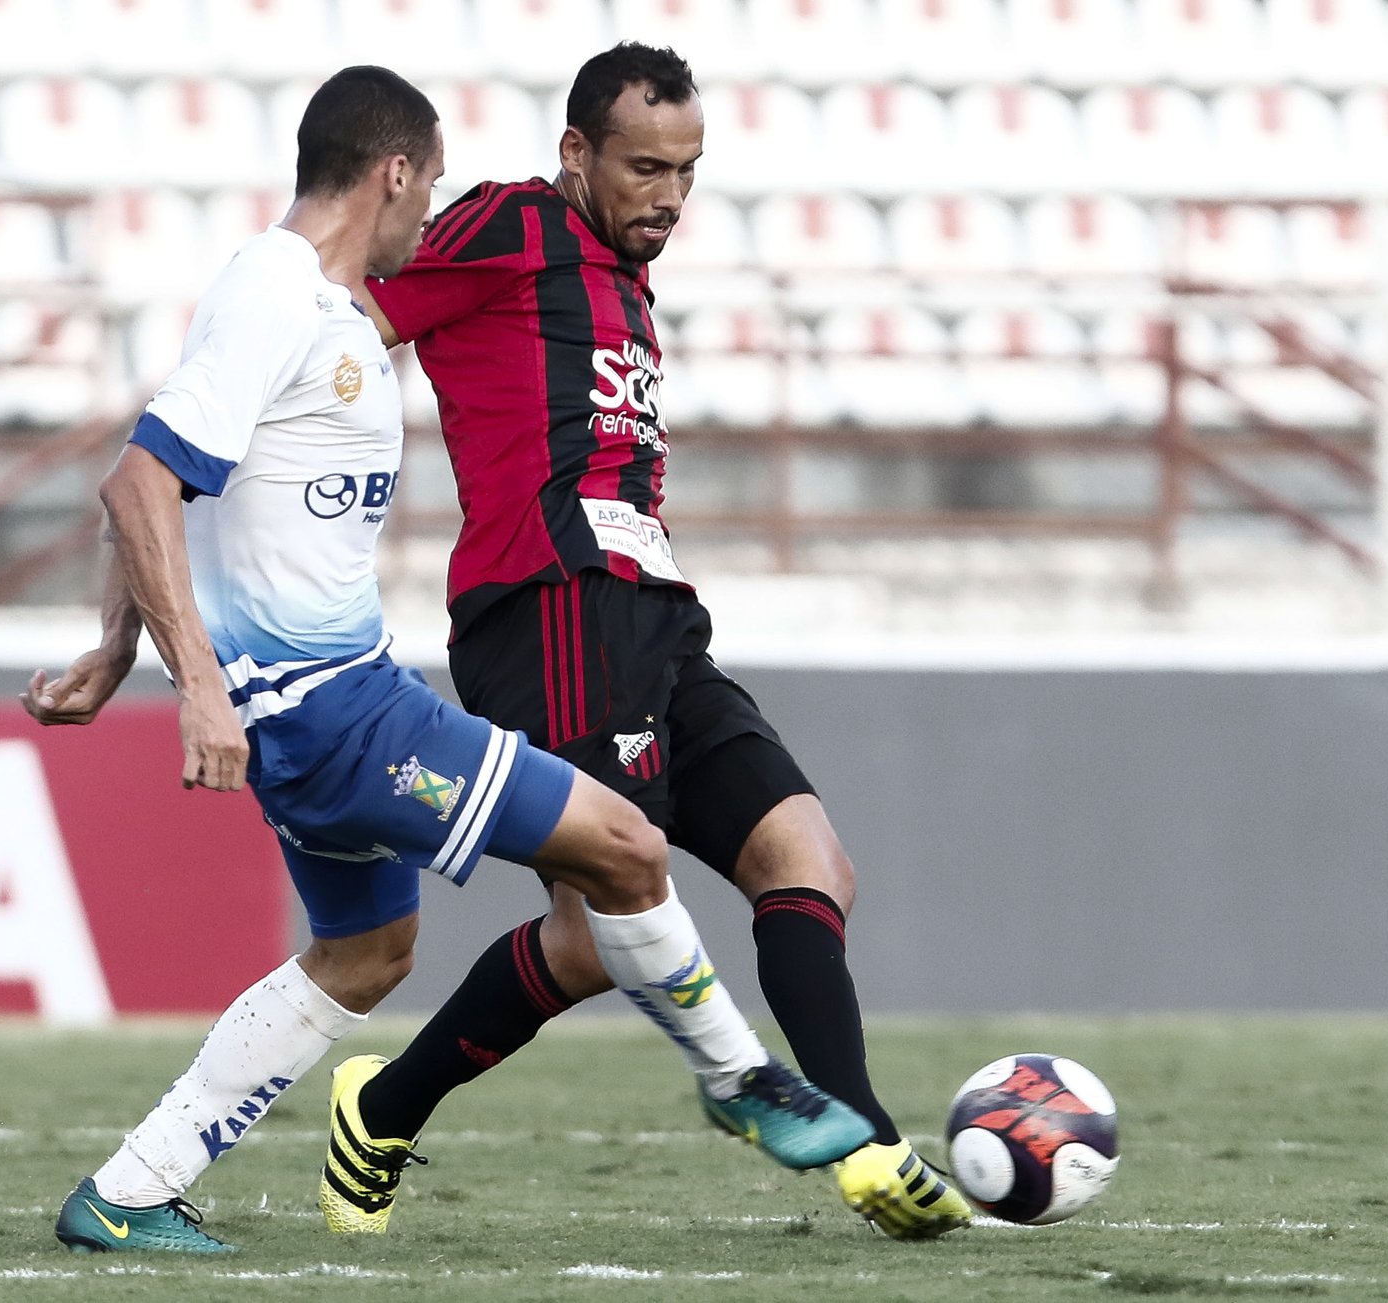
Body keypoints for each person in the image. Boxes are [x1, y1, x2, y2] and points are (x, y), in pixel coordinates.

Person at [20, 64, 871, 1255]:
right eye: (428, 191)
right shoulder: (277, 292)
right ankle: (741, 1078)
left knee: (367, 953)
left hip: (324, 700)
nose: (435, 222)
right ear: (395, 172)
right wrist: (194, 688)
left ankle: (131, 1187)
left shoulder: (309, 304)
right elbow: (140, 482)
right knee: (624, 848)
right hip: (330, 711)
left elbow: (162, 469)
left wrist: (119, 648)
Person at [323, 44, 974, 1241]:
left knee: (806, 859)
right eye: (642, 168)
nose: (667, 196)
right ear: (576, 154)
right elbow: (350, 304)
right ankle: (865, 1150)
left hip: (657, 612)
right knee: (594, 929)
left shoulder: (623, 279)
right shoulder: (512, 226)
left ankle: (390, 1106)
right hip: (550, 606)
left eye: (685, 171)